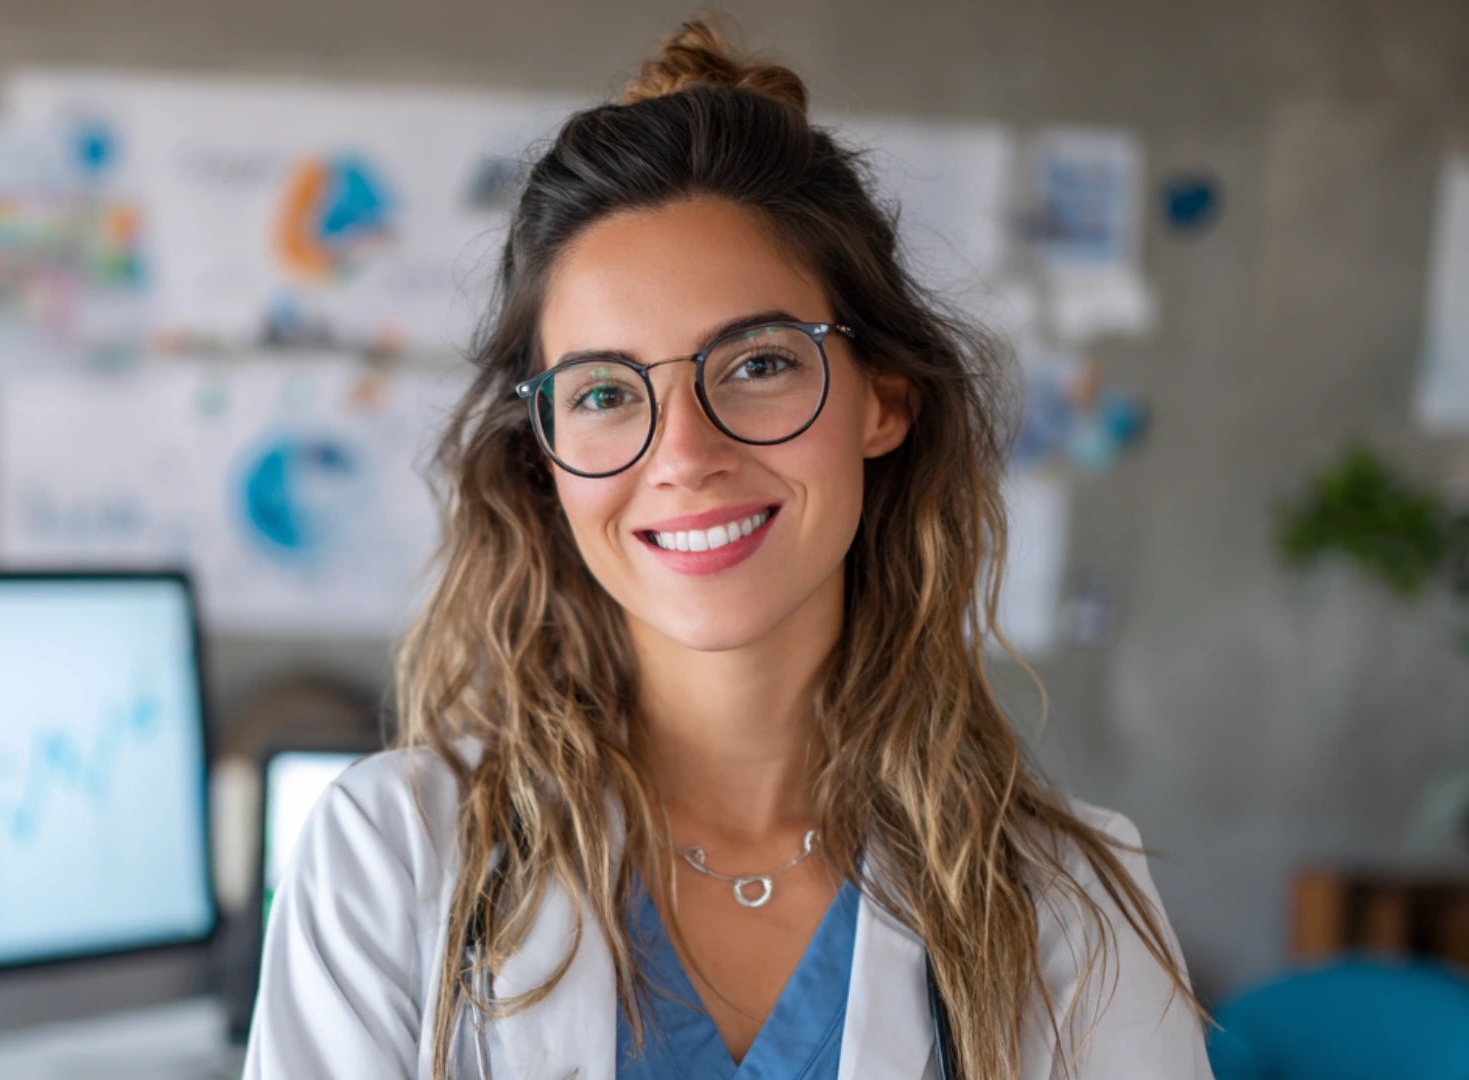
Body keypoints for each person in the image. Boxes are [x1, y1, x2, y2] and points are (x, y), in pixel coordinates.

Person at [245, 19, 1211, 1080]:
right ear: (543, 458)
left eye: (757, 365)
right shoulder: (389, 861)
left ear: (885, 401)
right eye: (605, 394)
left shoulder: (1069, 904)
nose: (685, 457)